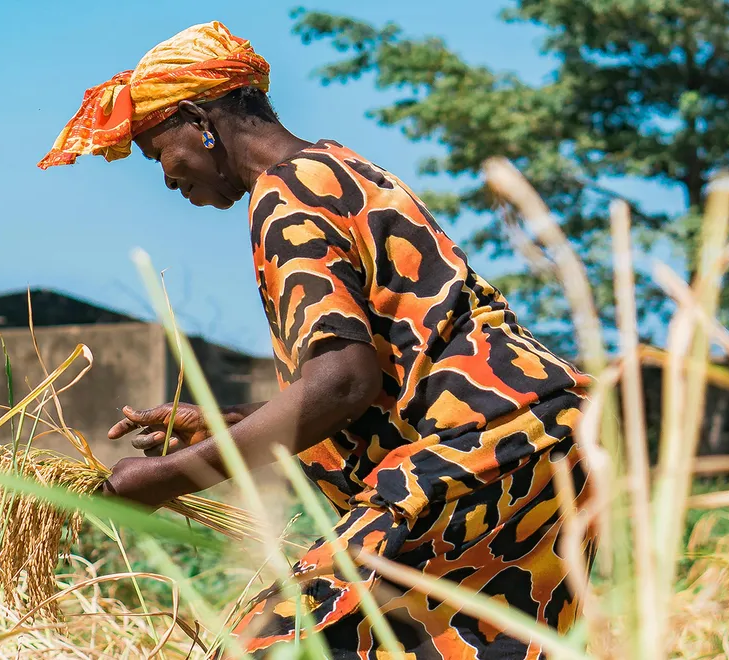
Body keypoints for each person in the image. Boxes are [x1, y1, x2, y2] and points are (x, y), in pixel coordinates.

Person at [39, 21, 594, 660]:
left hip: (475, 448)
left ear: (199, 119)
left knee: (283, 645)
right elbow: (387, 371)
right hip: (541, 438)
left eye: (156, 150)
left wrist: (168, 477)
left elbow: (342, 385)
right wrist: (228, 425)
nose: (166, 177)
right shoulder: (338, 168)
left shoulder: (285, 196)